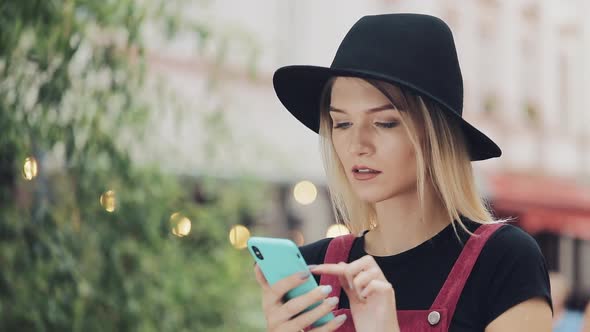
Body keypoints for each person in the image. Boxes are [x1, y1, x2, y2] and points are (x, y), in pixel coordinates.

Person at [253, 13, 553, 331]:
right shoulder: (314, 273)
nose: (358, 144)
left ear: (436, 135)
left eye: (385, 123)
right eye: (341, 123)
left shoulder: (504, 260)